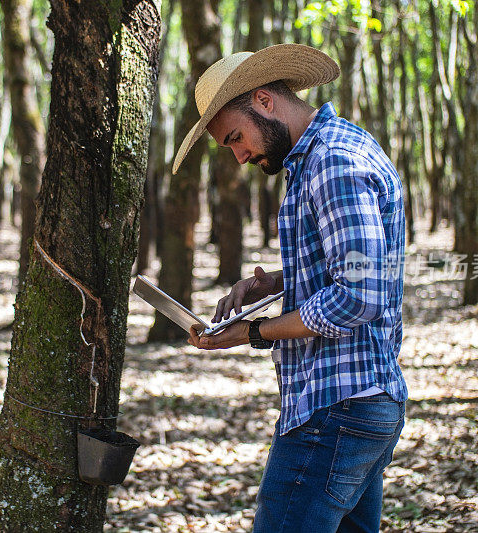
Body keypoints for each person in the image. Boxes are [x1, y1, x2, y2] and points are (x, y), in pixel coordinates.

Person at [172, 44, 408, 532]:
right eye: (229, 148)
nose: (239, 156)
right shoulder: (328, 154)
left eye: (237, 138)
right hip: (358, 405)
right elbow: (360, 266)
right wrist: (278, 283)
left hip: (337, 408)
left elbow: (359, 295)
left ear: (264, 101)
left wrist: (255, 332)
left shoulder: (333, 164)